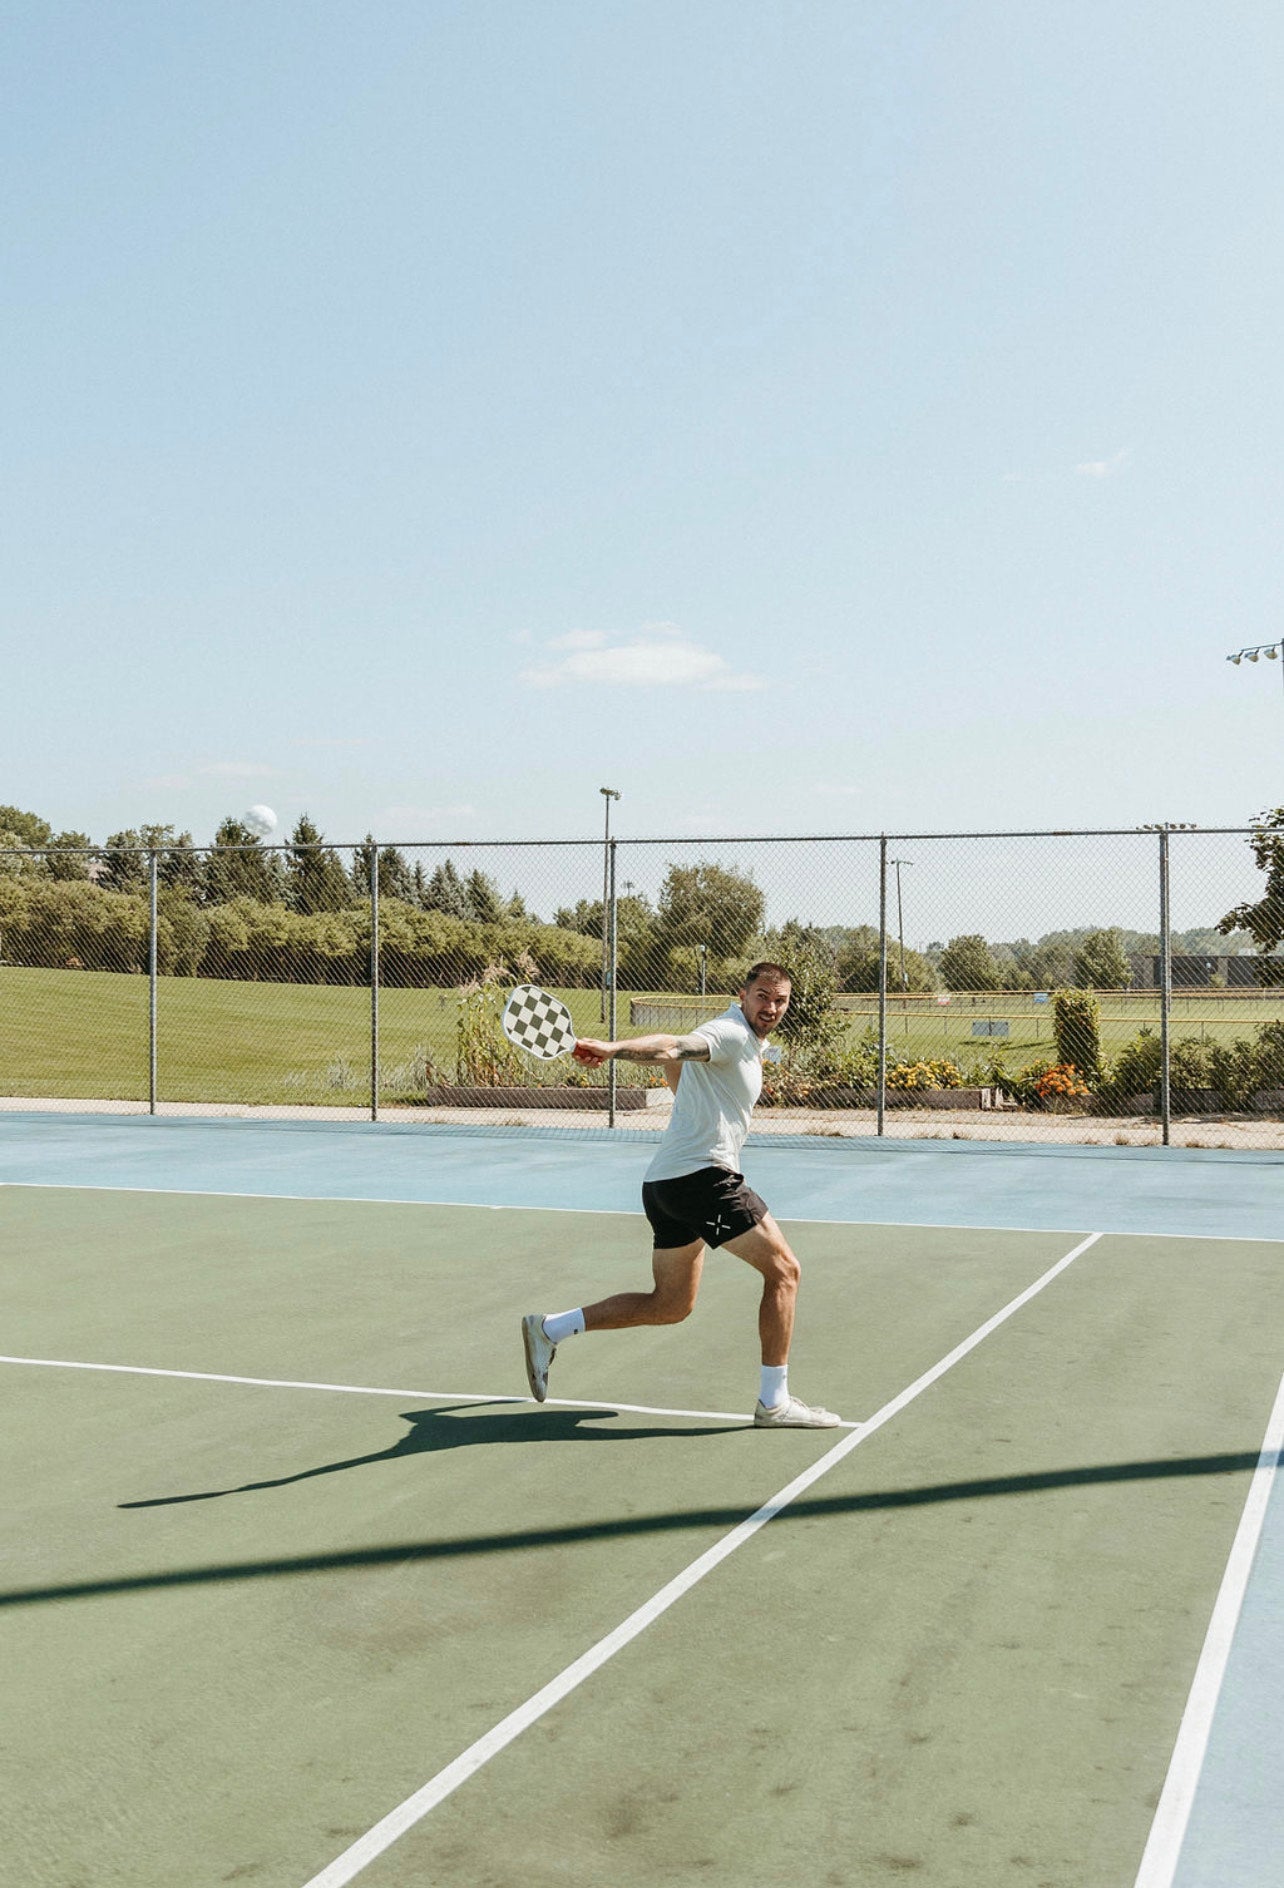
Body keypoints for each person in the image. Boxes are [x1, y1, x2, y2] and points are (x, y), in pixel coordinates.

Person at [520, 961, 841, 1427]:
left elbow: (675, 1064)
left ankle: (549, 1329)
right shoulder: (728, 1033)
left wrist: (658, 1061)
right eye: (762, 996)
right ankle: (774, 1403)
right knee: (785, 1272)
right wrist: (613, 1049)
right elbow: (672, 1044)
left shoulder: (746, 1044)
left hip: (666, 1183)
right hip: (702, 1179)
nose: (771, 1007)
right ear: (743, 993)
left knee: (670, 1305)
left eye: (780, 1000)